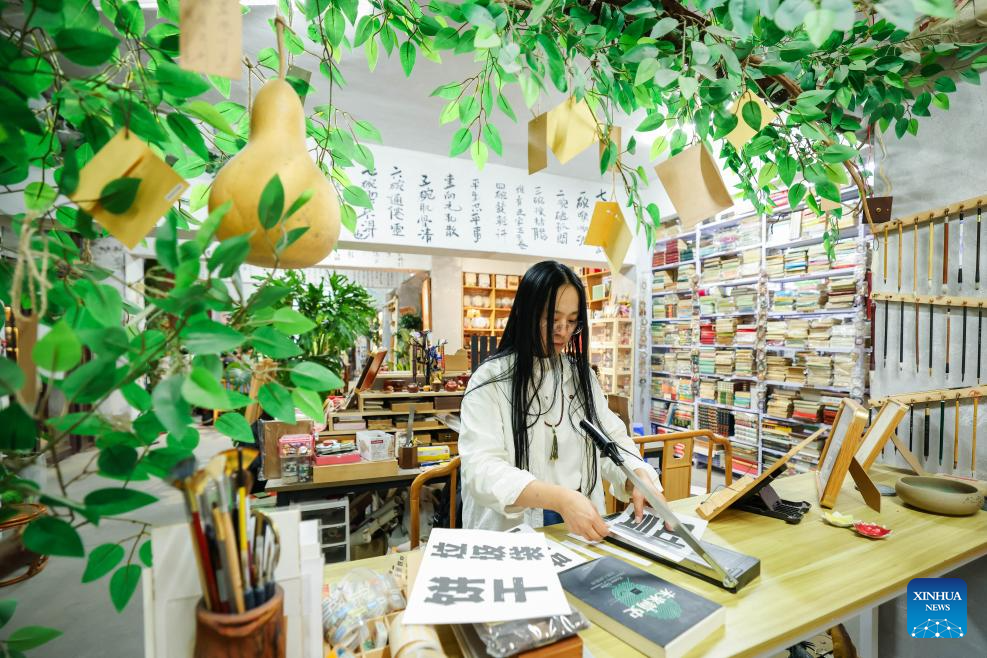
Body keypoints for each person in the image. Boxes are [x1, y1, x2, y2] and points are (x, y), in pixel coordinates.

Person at [458, 260, 665, 540]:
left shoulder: (581, 378)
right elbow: (481, 470)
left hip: (577, 526)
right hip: (511, 533)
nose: (562, 331)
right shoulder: (490, 380)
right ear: (525, 313)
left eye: (571, 321)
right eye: (552, 319)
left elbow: (611, 439)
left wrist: (637, 475)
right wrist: (560, 499)